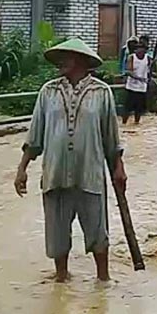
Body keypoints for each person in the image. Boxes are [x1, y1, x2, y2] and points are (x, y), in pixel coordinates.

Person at [15, 38, 127, 283]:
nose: (60, 62)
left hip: (90, 174)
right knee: (57, 234)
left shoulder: (101, 92)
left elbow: (111, 137)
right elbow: (35, 134)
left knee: (97, 232)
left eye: (66, 57)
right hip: (55, 174)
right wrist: (22, 167)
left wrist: (118, 168)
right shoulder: (48, 91)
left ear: (81, 61)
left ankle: (103, 281)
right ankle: (61, 279)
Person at [123, 42, 150, 124]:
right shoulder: (132, 57)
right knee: (127, 108)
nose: (139, 51)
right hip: (132, 87)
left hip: (142, 88)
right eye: (137, 49)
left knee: (139, 109)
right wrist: (140, 78)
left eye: (141, 49)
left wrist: (149, 78)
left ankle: (136, 123)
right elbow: (128, 71)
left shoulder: (148, 58)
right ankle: (124, 123)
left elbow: (150, 70)